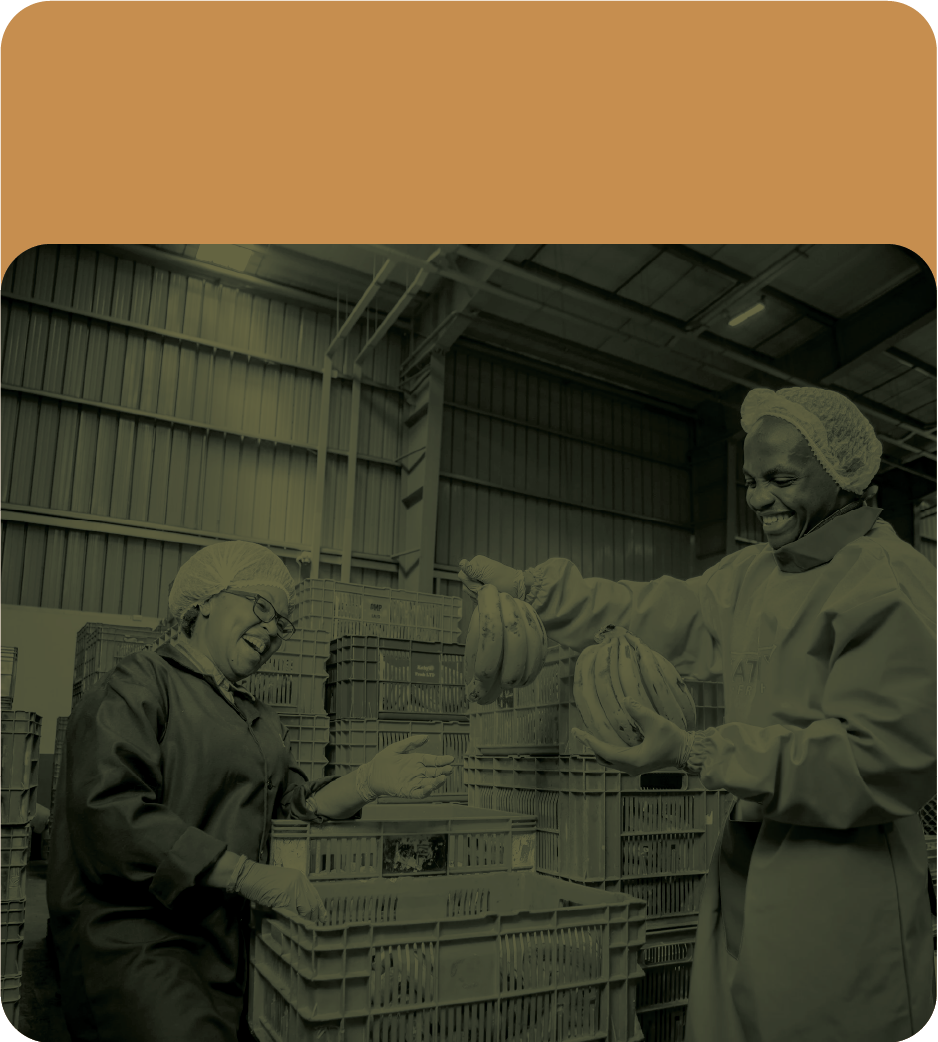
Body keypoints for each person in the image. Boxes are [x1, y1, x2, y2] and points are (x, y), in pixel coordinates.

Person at [458, 386, 937, 1042]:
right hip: (747, 862)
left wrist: (697, 752)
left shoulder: (887, 584)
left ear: (844, 476)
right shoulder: (756, 573)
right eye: (750, 480)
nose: (758, 498)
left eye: (781, 480)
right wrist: (535, 593)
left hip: (844, 895)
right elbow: (654, 609)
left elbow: (879, 759)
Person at [46, 540, 456, 1042]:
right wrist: (245, 874)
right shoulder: (139, 684)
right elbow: (108, 814)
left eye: (283, 624)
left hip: (226, 945)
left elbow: (290, 805)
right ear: (207, 601)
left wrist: (366, 781)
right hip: (136, 941)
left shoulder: (257, 717)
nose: (273, 630)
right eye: (262, 607)